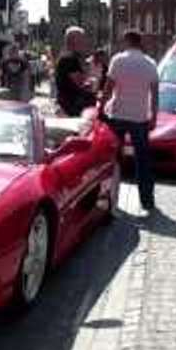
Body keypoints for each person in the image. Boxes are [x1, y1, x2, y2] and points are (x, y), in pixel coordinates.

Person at [97, 29, 160, 212]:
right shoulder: (150, 63)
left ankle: (110, 197)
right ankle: (147, 200)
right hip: (139, 117)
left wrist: (101, 108)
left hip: (118, 115)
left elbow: (108, 89)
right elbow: (155, 95)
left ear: (127, 42)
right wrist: (153, 116)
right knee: (143, 160)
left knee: (114, 158)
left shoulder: (118, 60)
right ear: (140, 43)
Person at [55, 26, 96, 117]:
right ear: (74, 40)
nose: (84, 42)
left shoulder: (68, 57)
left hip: (69, 104)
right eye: (82, 39)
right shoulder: (69, 58)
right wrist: (90, 81)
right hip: (71, 106)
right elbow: (80, 81)